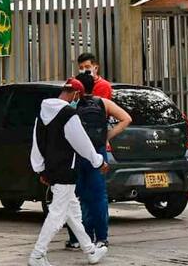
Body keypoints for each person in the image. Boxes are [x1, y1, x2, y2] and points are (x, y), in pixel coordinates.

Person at [28, 79, 109, 266]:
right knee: (57, 214)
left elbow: (37, 143)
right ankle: (37, 254)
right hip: (67, 170)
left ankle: (90, 251)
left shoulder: (41, 113)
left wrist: (40, 169)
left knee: (72, 212)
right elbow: (81, 142)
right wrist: (98, 161)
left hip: (52, 170)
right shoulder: (69, 114)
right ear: (76, 95)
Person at [65, 72, 132, 250]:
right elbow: (126, 118)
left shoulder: (71, 105)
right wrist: (106, 135)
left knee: (77, 197)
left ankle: (78, 238)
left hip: (76, 154)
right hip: (98, 153)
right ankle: (102, 237)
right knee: (98, 196)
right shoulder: (103, 103)